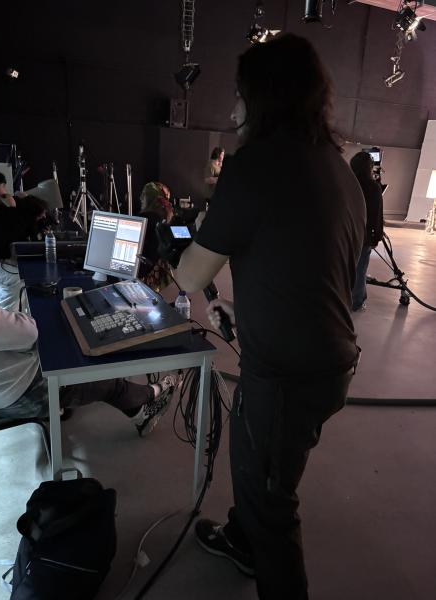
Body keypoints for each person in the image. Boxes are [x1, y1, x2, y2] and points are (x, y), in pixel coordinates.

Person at [174, 34, 366, 599]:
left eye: (240, 95)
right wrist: (247, 307)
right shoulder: (338, 168)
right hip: (331, 363)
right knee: (266, 468)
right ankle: (242, 538)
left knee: (270, 503)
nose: (234, 108)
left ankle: (260, 545)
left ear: (263, 97)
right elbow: (309, 268)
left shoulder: (255, 165)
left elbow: (189, 277)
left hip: (285, 375)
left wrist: (207, 234)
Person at [0, 298, 182, 437]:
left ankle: (136, 408)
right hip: (23, 391)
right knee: (101, 374)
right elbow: (29, 333)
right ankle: (151, 397)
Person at [0, 168, 48, 311]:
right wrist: (12, 208)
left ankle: (21, 315)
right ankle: (0, 317)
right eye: (4, 186)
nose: (6, 190)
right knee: (17, 280)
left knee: (29, 272)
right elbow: (11, 235)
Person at [349, 152, 384, 311]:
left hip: (345, 232)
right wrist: (377, 236)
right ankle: (356, 301)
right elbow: (377, 214)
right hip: (363, 236)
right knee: (360, 269)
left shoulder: (347, 183)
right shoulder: (373, 187)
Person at [138, 181, 174, 292]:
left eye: (144, 195)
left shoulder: (142, 219)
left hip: (141, 276)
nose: (141, 198)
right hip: (155, 280)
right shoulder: (164, 221)